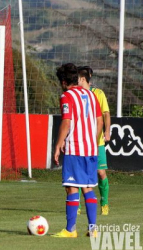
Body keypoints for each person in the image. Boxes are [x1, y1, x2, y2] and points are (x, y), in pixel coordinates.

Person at [52, 63, 103, 238]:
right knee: (88, 187)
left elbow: (66, 122)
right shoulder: (90, 94)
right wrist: (93, 142)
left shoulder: (66, 96)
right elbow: (99, 120)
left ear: (64, 82)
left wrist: (58, 144)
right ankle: (93, 229)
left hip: (75, 148)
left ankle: (70, 230)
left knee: (72, 187)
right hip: (91, 149)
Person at [77, 66, 111, 216]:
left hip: (97, 142)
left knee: (100, 172)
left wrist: (108, 131)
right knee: (78, 173)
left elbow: (106, 114)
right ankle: (76, 205)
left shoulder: (98, 93)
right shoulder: (76, 94)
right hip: (81, 140)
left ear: (85, 77)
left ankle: (104, 203)